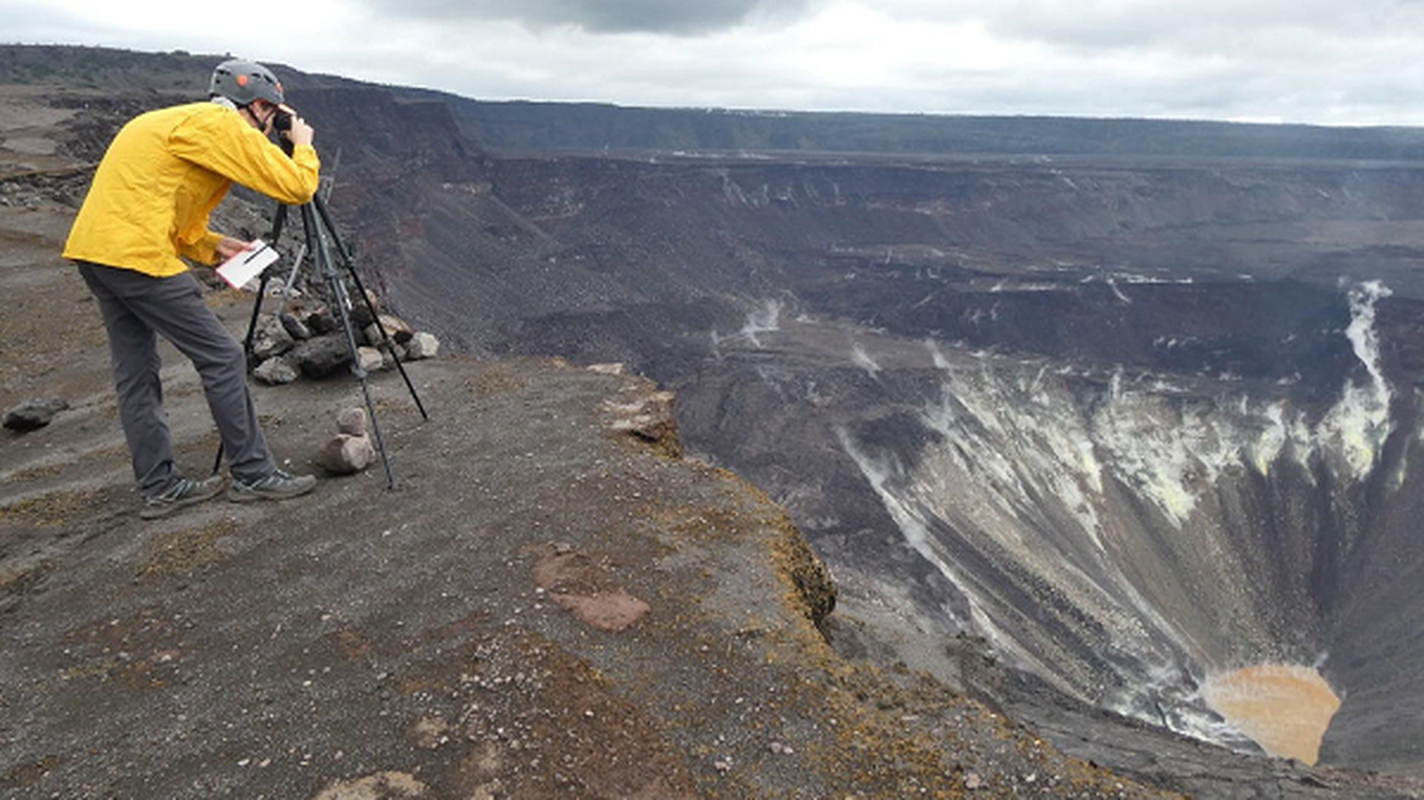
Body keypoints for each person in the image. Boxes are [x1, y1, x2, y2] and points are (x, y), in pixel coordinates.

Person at [64, 59, 321, 519]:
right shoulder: (223, 124)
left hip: (95, 253)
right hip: (138, 258)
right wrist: (300, 145)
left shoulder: (176, 121)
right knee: (222, 356)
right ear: (259, 106)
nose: (271, 125)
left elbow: (166, 204)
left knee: (136, 373)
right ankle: (253, 473)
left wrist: (213, 245)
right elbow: (297, 188)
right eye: (272, 114)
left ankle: (160, 487)